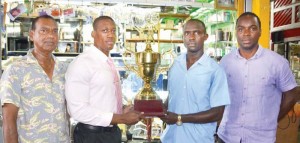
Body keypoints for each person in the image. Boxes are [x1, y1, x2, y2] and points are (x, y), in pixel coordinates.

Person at [217, 12, 300, 143]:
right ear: (236, 32)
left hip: (260, 138)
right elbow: (218, 95)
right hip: (227, 135)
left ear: (260, 31)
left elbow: (292, 93)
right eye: (241, 29)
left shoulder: (277, 62)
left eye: (252, 28)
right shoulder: (225, 62)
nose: (246, 33)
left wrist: (274, 118)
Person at [65, 16, 143, 143]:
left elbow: (102, 98)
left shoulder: (108, 62)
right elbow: (78, 110)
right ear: (93, 34)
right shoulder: (82, 63)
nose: (111, 35)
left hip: (112, 133)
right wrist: (121, 118)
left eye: (113, 31)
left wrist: (122, 110)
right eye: (105, 31)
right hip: (92, 136)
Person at [0, 15, 70, 142]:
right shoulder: (16, 70)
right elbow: (8, 120)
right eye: (44, 31)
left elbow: (68, 113)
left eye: (54, 31)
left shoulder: (64, 70)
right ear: (32, 35)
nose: (50, 36)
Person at [160, 19, 231, 143]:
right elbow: (173, 95)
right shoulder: (175, 65)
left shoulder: (214, 71)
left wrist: (178, 118)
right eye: (187, 33)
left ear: (205, 36)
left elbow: (217, 113)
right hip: (171, 138)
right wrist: (160, 108)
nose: (191, 37)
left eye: (196, 33)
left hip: (198, 139)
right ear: (183, 37)